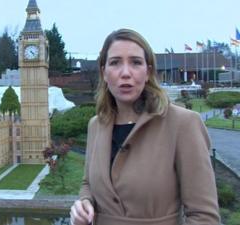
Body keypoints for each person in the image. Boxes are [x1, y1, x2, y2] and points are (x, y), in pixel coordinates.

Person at [70, 29, 220, 225]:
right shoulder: (96, 125)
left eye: (136, 62)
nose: (125, 73)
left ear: (148, 72)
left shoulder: (183, 124)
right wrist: (84, 204)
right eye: (115, 63)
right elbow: (88, 183)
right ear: (104, 72)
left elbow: (204, 217)